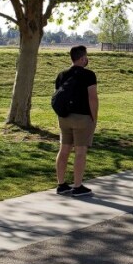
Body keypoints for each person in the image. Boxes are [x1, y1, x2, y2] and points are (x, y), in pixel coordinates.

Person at [55, 45, 99, 196]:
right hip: (82, 117)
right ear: (82, 58)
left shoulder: (61, 75)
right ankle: (77, 186)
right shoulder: (89, 75)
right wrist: (94, 118)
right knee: (80, 151)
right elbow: (92, 98)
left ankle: (61, 184)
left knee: (64, 149)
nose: (87, 59)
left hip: (64, 117)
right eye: (86, 56)